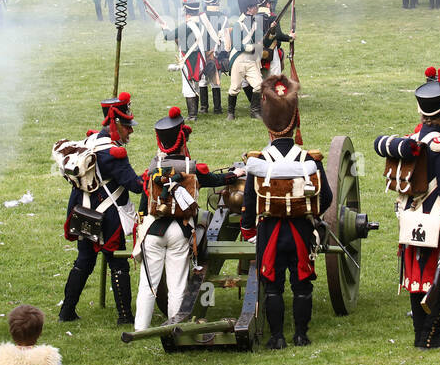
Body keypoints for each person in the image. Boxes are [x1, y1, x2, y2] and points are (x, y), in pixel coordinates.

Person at [374, 68, 440, 349]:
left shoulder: (414, 138)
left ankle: (420, 335)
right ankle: (431, 335)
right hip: (436, 220)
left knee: (418, 277)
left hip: (410, 217)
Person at [242, 77, 332, 349]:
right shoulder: (309, 160)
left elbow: (249, 200)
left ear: (269, 126)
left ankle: (277, 337)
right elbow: (325, 196)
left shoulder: (258, 161)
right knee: (302, 284)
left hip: (269, 232)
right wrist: (311, 216)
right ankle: (301, 335)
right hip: (301, 231)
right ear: (294, 122)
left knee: (273, 286)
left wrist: (248, 230)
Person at [133, 107, 238, 330]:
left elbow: (144, 204)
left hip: (153, 231)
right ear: (182, 139)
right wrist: (234, 175)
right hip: (180, 231)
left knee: (147, 285)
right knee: (177, 285)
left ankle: (140, 328)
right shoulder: (192, 167)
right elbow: (213, 179)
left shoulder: (153, 169)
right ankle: (175, 328)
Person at [57, 94, 142, 324]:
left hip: (82, 212)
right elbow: (134, 185)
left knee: (84, 260)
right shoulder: (113, 153)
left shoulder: (90, 141)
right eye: (126, 127)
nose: (130, 132)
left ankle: (66, 312)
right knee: (118, 263)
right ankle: (125, 316)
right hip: (106, 217)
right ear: (115, 124)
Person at [226, 0, 265, 121]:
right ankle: (230, 113)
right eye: (254, 6)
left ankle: (255, 111)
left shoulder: (256, 23)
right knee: (234, 88)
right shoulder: (238, 24)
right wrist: (253, 48)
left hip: (251, 60)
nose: (257, 8)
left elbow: (259, 41)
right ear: (248, 8)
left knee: (259, 85)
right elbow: (237, 45)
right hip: (239, 59)